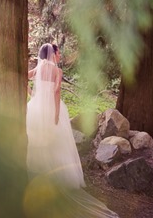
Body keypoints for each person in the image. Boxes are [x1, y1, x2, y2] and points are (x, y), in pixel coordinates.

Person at [26, 43, 119, 218]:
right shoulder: (57, 71)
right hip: (51, 108)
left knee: (35, 136)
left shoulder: (38, 68)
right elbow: (57, 92)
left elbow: (23, 77)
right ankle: (55, 173)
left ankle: (36, 169)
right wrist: (55, 114)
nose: (59, 54)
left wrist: (33, 94)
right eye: (58, 52)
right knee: (57, 141)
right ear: (53, 53)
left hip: (36, 106)